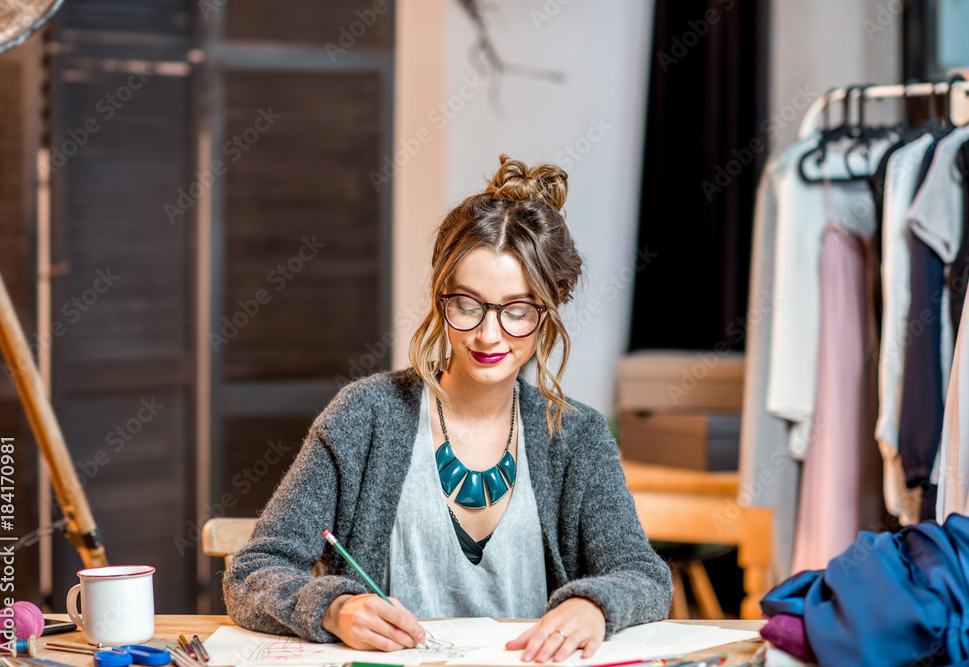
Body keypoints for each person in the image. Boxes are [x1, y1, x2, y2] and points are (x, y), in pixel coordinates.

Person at [223, 155, 672, 663]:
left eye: (517, 310)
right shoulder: (365, 416)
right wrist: (335, 608)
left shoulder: (577, 435)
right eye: (468, 304)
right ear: (440, 297)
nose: (488, 334)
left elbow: (644, 575)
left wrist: (595, 605)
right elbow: (253, 571)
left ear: (553, 304)